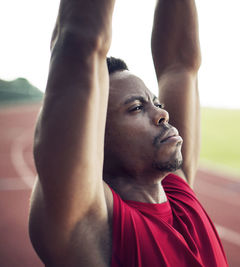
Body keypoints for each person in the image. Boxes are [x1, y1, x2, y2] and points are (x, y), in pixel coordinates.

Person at [28, 0, 228, 266]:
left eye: (157, 103)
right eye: (136, 107)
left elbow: (179, 66)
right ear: (94, 138)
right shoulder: (89, 223)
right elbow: (79, 43)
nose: (162, 114)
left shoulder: (177, 190)